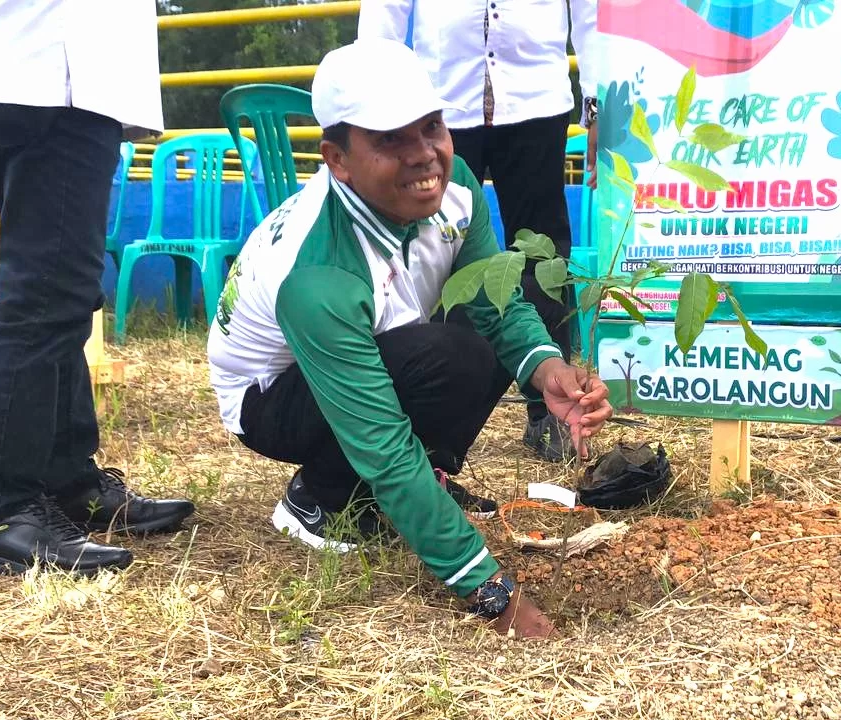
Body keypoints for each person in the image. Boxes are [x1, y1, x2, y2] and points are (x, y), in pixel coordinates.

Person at [206, 38, 612, 638]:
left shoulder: (454, 184)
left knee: (474, 328)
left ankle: (422, 486)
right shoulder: (319, 275)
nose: (425, 155)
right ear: (337, 160)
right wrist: (492, 592)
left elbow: (493, 304)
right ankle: (320, 500)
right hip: (271, 400)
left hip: (375, 349)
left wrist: (546, 371)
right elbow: (383, 444)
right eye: (390, 139)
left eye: (432, 127)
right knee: (443, 358)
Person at [0, 0, 196, 576]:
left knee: (62, 292)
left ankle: (65, 480)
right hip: (51, 67)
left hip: (36, 65)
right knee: (45, 294)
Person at [358, 0, 600, 462]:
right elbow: (384, 10)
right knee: (433, 247)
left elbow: (590, 13)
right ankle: (429, 408)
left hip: (536, 97)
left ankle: (547, 411)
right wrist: (377, 102)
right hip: (443, 99)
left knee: (545, 254)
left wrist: (595, 103)